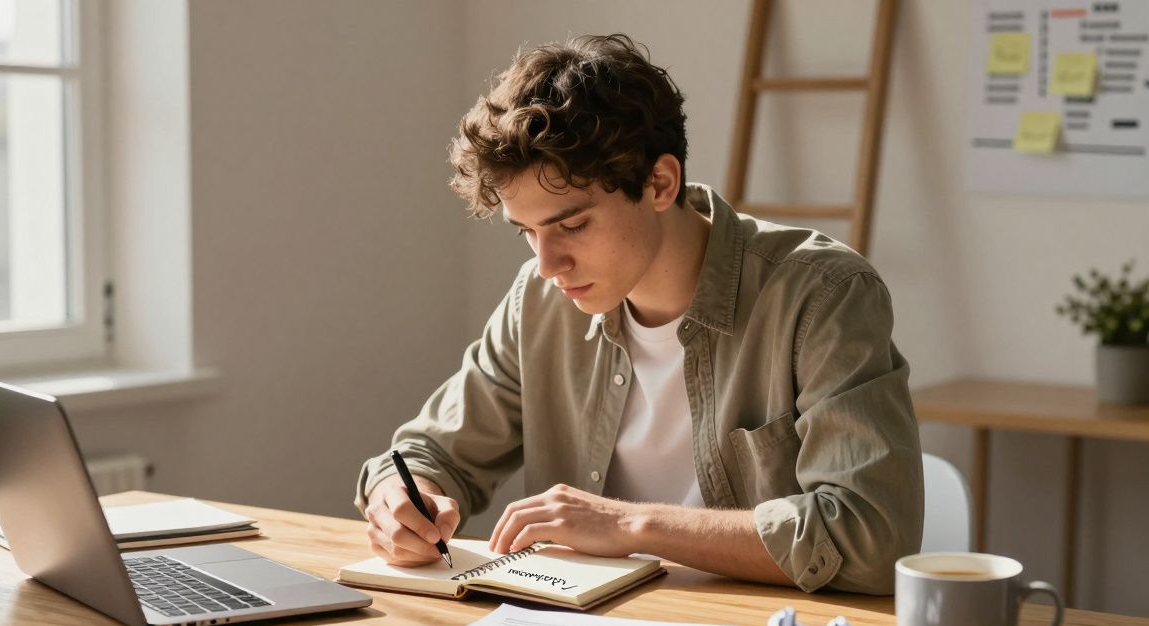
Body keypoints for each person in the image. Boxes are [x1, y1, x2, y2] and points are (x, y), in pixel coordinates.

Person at [354, 34, 922, 595]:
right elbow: (429, 452)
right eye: (526, 232)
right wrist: (402, 498)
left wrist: (629, 525)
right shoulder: (540, 300)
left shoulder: (822, 295)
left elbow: (870, 534)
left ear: (659, 183)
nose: (547, 264)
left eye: (572, 225)